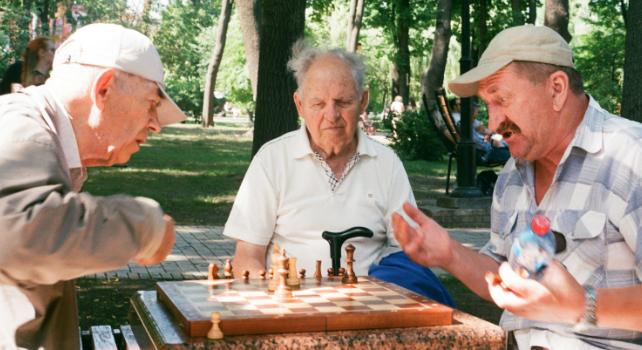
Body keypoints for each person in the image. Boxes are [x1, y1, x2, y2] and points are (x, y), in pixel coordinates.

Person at [393, 25, 642, 349]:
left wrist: (582, 305)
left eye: (501, 100)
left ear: (556, 89)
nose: (494, 124)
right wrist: (449, 253)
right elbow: (501, 273)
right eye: (487, 105)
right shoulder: (512, 174)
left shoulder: (629, 157)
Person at [0, 23, 186, 349]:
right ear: (104, 89)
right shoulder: (19, 125)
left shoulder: (36, 129)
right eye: (152, 103)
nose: (155, 124)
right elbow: (19, 232)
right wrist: (146, 226)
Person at [223, 42, 453, 306]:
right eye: (318, 103)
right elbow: (247, 255)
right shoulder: (272, 160)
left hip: (371, 311)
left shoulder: (386, 163)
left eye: (343, 102)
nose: (331, 115)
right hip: (291, 309)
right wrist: (272, 303)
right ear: (299, 104)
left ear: (363, 101)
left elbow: (407, 253)